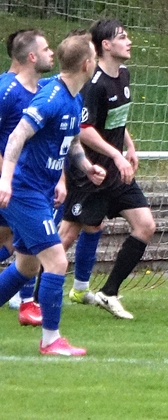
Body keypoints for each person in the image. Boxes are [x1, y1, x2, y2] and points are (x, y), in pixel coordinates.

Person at [0, 32, 106, 355]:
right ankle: (50, 340)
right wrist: (6, 180)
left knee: (27, 267)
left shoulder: (74, 98)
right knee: (56, 261)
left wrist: (86, 166)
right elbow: (17, 136)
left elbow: (71, 142)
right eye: (95, 58)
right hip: (25, 191)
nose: (96, 63)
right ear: (87, 64)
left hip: (42, 190)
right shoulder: (51, 98)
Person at [59, 19, 156, 320]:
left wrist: (129, 147)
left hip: (116, 172)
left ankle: (109, 292)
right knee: (65, 236)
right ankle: (31, 296)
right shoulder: (95, 83)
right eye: (122, 37)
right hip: (89, 172)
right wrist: (116, 155)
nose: (129, 41)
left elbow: (116, 119)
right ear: (106, 45)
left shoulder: (123, 74)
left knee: (145, 226)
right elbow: (83, 129)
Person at [0, 30, 55, 325]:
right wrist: (5, 177)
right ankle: (30, 308)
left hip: (27, 184)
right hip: (10, 184)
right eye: (46, 49)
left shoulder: (44, 91)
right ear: (31, 56)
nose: (52, 53)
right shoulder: (7, 91)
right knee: (33, 252)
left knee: (24, 253)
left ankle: (26, 304)